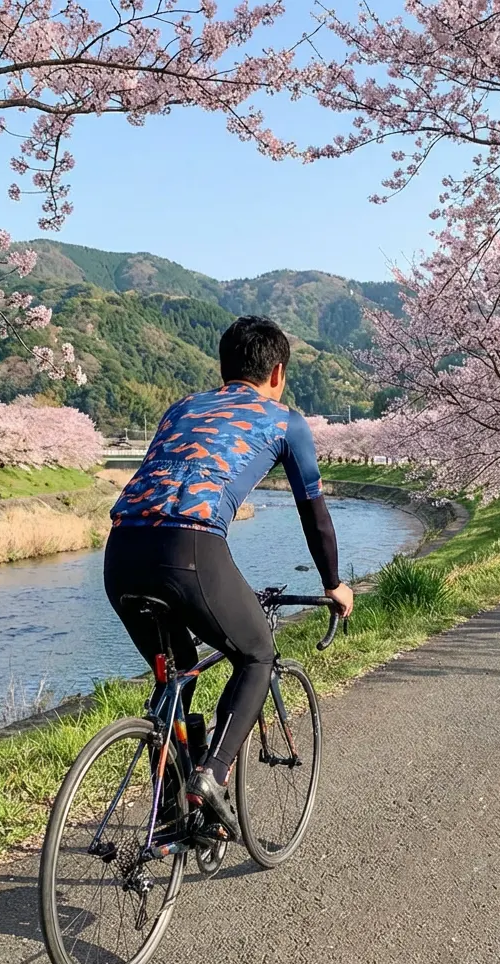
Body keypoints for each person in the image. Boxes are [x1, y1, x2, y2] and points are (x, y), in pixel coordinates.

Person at [104, 315, 353, 839]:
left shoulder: (182, 408)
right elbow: (315, 513)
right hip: (189, 547)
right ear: (278, 372)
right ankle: (211, 778)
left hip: (121, 549)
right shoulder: (285, 421)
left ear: (223, 368)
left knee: (177, 675)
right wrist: (333, 583)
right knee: (258, 653)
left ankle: (173, 808)